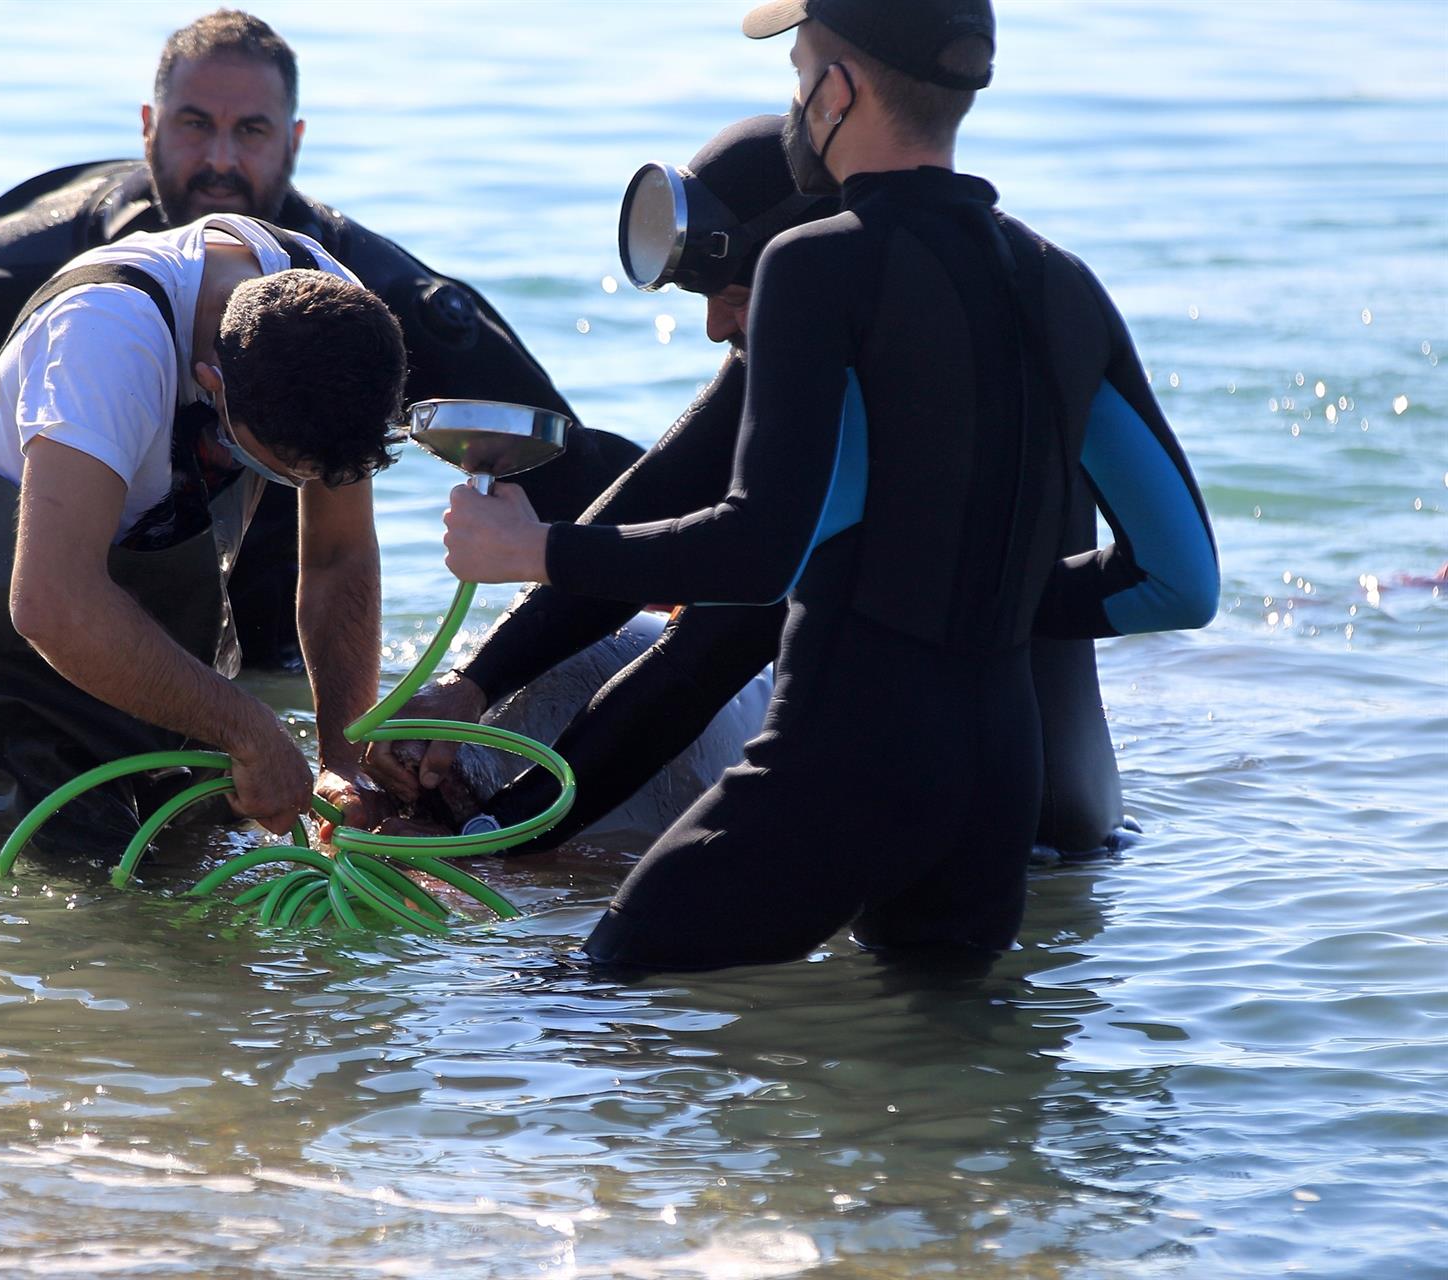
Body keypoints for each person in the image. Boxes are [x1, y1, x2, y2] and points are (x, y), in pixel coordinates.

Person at [436, 0, 1219, 971]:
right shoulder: (1061, 286)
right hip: (1023, 793)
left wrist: (529, 550)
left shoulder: (819, 268)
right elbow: (1183, 581)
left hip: (846, 765)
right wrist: (982, 596)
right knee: (946, 1085)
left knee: (583, 1000)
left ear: (836, 91)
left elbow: (755, 564)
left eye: (799, 73)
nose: (798, 102)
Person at [0, 8, 641, 669]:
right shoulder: (71, 254)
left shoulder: (354, 289)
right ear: (149, 128)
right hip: (52, 622)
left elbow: (569, 464)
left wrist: (693, 562)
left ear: (294, 143)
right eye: (195, 125)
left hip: (274, 654)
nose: (221, 161)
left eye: (253, 132)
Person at [367, 113, 1125, 858]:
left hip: (999, 842)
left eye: (732, 294)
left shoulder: (889, 401)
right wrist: (473, 685)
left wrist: (486, 838)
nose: (712, 328)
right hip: (996, 812)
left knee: (602, 964)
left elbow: (703, 658)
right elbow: (643, 505)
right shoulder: (863, 338)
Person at [0, 212, 406, 850]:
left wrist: (345, 762)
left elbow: (338, 558)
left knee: (200, 890)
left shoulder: (335, 323)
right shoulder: (102, 339)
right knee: (90, 904)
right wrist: (249, 729)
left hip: (153, 664)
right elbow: (52, 605)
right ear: (211, 383)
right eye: (264, 465)